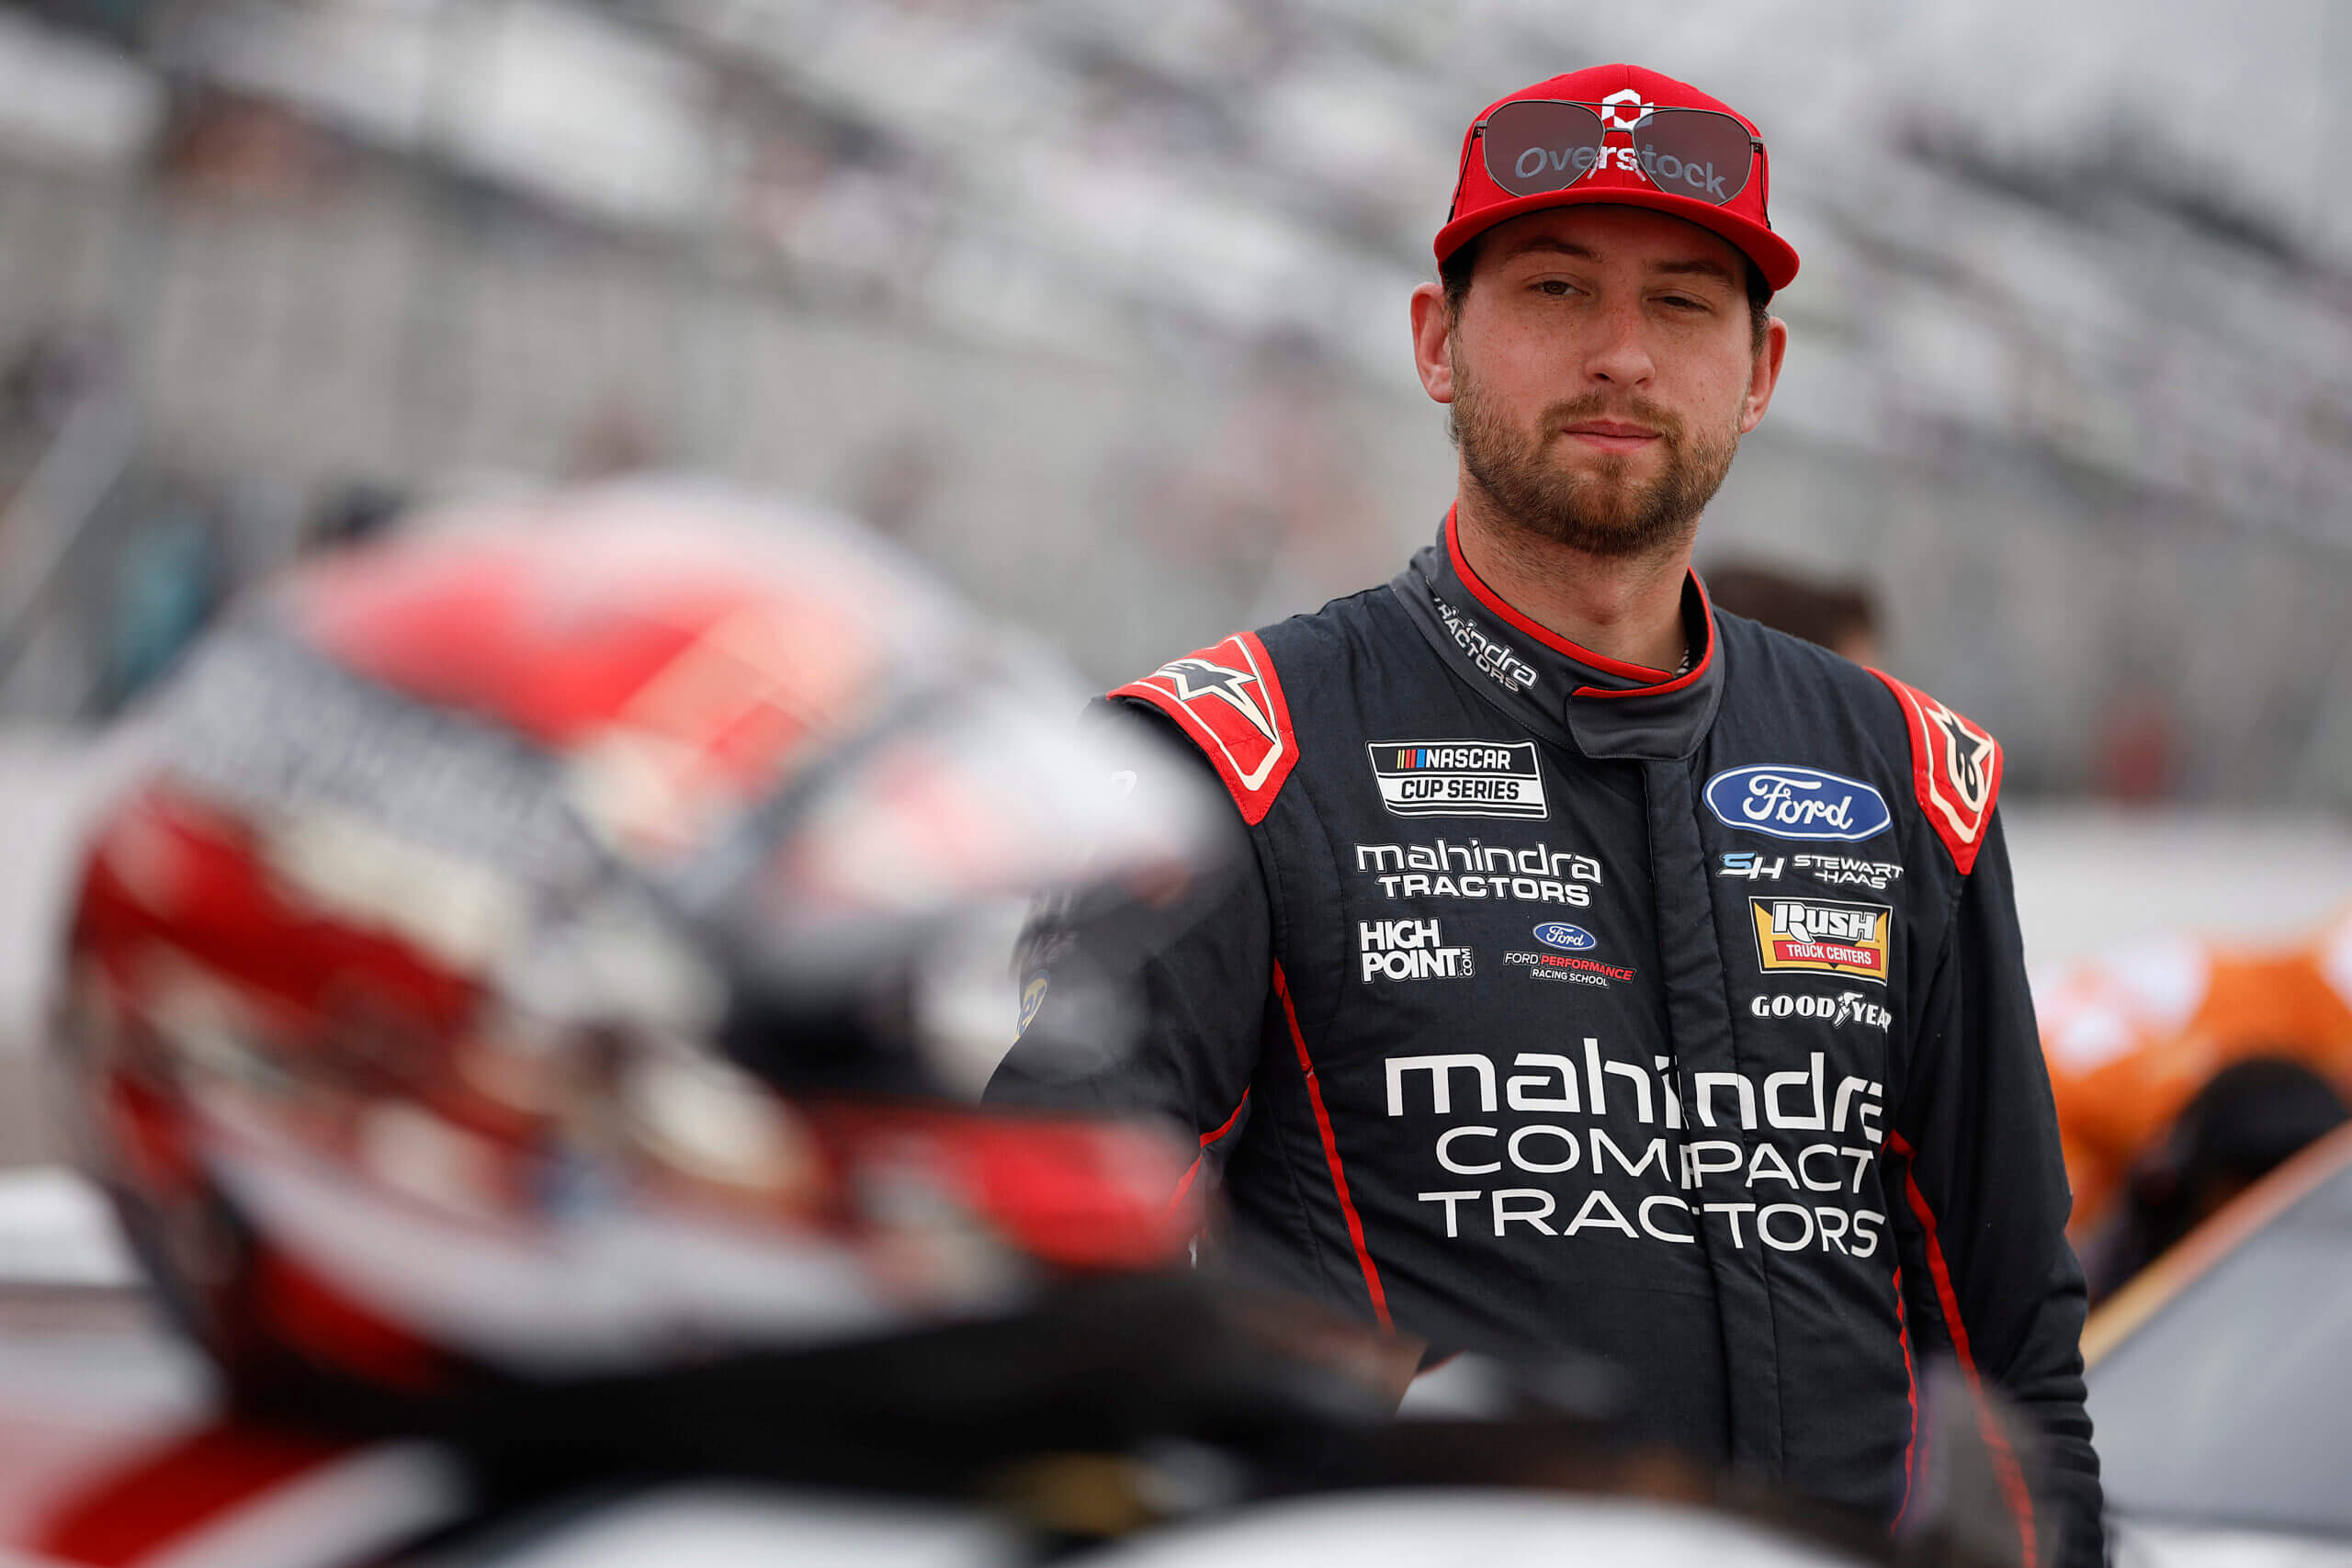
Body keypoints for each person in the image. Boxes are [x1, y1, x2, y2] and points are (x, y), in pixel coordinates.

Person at [993, 62, 2101, 1568]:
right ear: (1436, 341)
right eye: (1557, 289)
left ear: (1762, 370)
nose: (1621, 355)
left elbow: (2015, 1347)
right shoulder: (1229, 754)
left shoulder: (1913, 777)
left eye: (1683, 305)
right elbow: (1046, 1264)